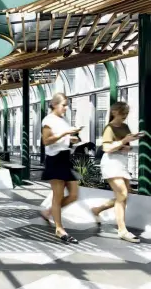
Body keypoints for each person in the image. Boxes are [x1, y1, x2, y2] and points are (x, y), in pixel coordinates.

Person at [91, 102, 143, 243]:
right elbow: (107, 148)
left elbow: (126, 147)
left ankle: (97, 209)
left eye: (126, 113)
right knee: (122, 194)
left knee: (125, 195)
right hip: (111, 163)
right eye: (123, 113)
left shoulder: (125, 127)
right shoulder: (109, 128)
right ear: (114, 112)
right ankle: (122, 230)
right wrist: (124, 141)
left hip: (122, 163)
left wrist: (128, 144)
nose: (125, 116)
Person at [40, 93, 82, 244]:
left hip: (65, 158)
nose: (66, 108)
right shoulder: (48, 120)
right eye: (64, 105)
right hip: (55, 159)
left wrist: (71, 138)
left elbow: (60, 138)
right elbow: (46, 140)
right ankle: (59, 229)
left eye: (66, 105)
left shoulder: (62, 120)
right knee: (57, 196)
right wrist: (65, 133)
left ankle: (49, 212)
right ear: (55, 104)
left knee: (74, 194)